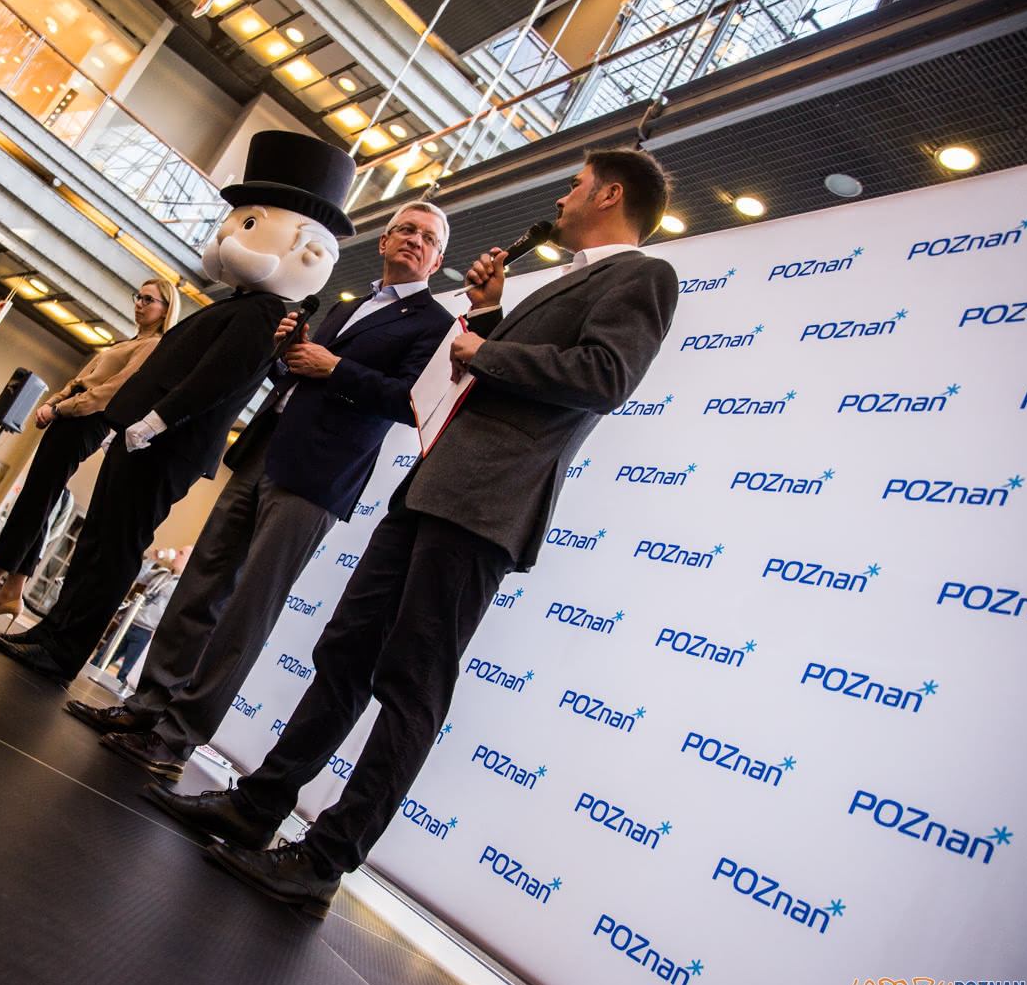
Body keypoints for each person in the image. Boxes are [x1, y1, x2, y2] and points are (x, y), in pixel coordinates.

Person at [144, 149, 681, 918]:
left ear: (611, 193)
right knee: (345, 652)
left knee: (411, 685)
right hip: (431, 488)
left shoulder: (643, 277)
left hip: (486, 505)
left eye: (575, 184)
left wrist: (486, 346)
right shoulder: (566, 279)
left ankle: (324, 860)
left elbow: (604, 377)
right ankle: (257, 806)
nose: (563, 196)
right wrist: (489, 314)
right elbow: (502, 378)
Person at [67, 202, 457, 782]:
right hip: (264, 451)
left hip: (318, 476)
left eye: (427, 237)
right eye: (405, 229)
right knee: (201, 586)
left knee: (246, 612)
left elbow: (411, 402)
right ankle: (148, 707)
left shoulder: (434, 324)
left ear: (438, 259)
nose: (414, 240)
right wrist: (285, 355)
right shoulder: (345, 306)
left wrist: (333, 367)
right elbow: (299, 378)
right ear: (384, 241)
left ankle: (177, 739)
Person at [0, 130, 356, 686]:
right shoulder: (244, 304)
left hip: (168, 443)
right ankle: (52, 633)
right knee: (97, 541)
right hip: (146, 436)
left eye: (250, 224)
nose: (229, 235)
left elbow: (217, 379)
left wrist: (158, 420)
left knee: (116, 547)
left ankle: (63, 652)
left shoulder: (265, 313)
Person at [0, 278, 177, 623]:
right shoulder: (131, 341)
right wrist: (54, 403)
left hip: (85, 422)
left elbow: (108, 393)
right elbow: (80, 380)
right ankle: (11, 592)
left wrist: (62, 409)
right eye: (138, 296)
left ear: (166, 310)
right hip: (70, 417)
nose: (139, 303)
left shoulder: (153, 346)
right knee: (39, 500)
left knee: (34, 501)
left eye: (149, 299)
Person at [106, 547, 187, 687]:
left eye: (181, 553)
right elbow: (137, 576)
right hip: (130, 622)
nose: (176, 554)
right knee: (103, 656)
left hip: (147, 632)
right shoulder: (162, 573)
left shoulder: (184, 587)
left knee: (126, 674)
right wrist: (152, 559)